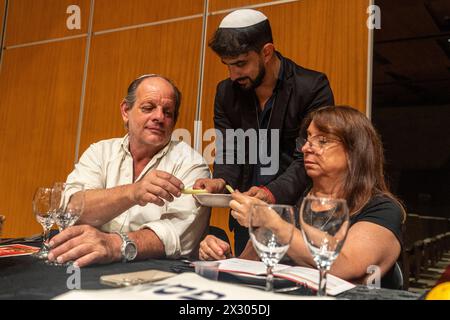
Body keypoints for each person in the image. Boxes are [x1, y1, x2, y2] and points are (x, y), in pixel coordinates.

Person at [199, 106, 405, 287]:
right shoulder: (292, 199)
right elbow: (251, 267)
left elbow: (346, 265)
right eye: (307, 139)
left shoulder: (382, 209)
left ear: (354, 152)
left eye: (322, 140)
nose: (306, 148)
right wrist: (223, 259)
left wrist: (272, 222)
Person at [193, 9, 334, 255]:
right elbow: (230, 149)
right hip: (244, 220)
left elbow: (309, 159)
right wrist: (220, 181)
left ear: (266, 52)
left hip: (296, 219)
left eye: (241, 64)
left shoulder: (311, 87)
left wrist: (270, 193)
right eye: (227, 65)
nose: (233, 74)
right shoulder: (226, 92)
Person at [47, 74, 211, 267]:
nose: (159, 117)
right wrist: (133, 192)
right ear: (126, 110)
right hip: (87, 264)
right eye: (148, 108)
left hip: (157, 275)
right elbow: (71, 208)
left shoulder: (191, 163)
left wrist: (114, 245)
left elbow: (178, 235)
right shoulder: (100, 152)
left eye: (168, 112)